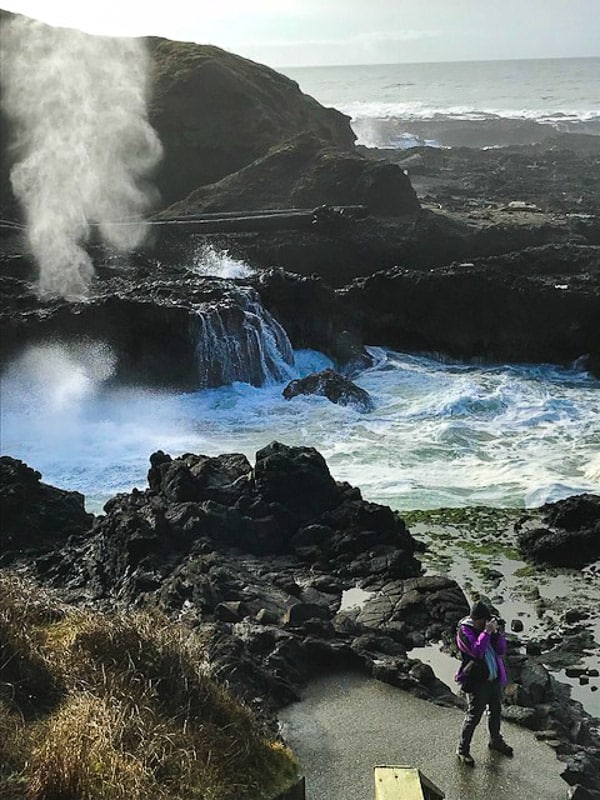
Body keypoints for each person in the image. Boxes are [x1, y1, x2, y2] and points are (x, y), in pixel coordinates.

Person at [454, 600, 514, 766]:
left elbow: (501, 650)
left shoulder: (487, 630)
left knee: (496, 711)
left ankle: (495, 740)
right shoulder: (464, 631)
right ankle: (462, 749)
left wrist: (496, 634)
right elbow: (476, 651)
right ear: (477, 619)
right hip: (476, 681)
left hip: (493, 679)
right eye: (484, 621)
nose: (487, 623)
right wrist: (486, 633)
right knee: (474, 717)